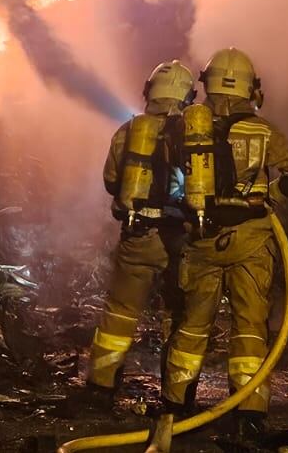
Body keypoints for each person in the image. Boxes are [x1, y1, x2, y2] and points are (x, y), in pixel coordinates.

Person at [161, 48, 288, 440]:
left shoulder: (187, 129)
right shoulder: (262, 131)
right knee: (249, 326)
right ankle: (249, 413)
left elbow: (170, 182)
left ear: (206, 84)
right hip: (252, 238)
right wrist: (271, 195)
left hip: (201, 239)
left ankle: (176, 407)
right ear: (250, 86)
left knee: (193, 326)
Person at [78, 60, 198, 408]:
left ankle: (101, 388)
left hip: (138, 236)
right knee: (180, 317)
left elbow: (111, 181)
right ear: (189, 95)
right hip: (183, 240)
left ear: (150, 91)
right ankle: (177, 400)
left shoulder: (129, 131)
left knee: (119, 315)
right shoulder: (197, 133)